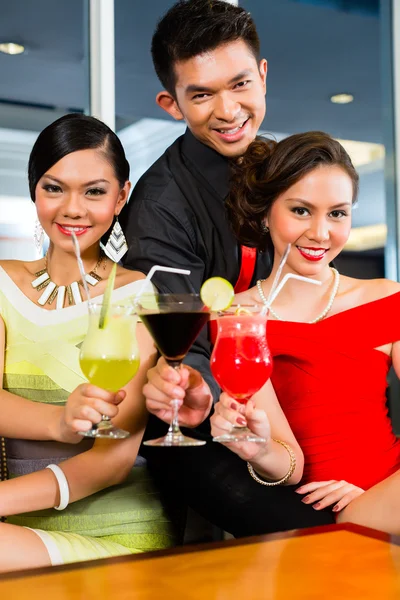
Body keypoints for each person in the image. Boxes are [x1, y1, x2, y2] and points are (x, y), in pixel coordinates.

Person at [122, 0, 336, 536]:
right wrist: (215, 401)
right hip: (201, 418)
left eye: (240, 84)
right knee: (312, 535)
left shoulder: (285, 170)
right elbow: (179, 340)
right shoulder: (160, 204)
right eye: (201, 94)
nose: (228, 109)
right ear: (172, 103)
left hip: (293, 392)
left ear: (262, 76)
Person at [147, 131, 400, 535]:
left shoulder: (388, 297)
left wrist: (375, 497)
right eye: (301, 211)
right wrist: (259, 448)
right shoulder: (237, 315)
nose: (321, 233)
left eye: (337, 213)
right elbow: (290, 463)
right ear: (264, 213)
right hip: (322, 513)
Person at [0, 114, 175, 573]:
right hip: (15, 530)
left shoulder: (138, 294)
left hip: (118, 534)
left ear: (122, 196)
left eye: (94, 191)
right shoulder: (1, 281)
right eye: (54, 188)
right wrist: (60, 422)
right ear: (34, 190)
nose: (72, 209)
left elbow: (112, 461)